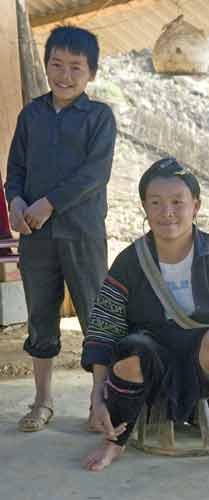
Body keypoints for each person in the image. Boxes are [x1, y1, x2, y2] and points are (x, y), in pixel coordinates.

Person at [81, 157, 209, 475]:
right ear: (144, 207)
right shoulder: (130, 261)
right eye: (156, 203)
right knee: (132, 348)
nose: (167, 212)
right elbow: (104, 327)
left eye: (178, 202)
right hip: (149, 366)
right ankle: (112, 443)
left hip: (204, 367)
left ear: (196, 206)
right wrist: (98, 395)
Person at [5, 25, 116, 432]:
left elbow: (95, 174)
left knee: (95, 314)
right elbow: (14, 170)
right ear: (45, 65)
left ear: (92, 74)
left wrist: (48, 204)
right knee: (40, 316)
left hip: (83, 233)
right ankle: (42, 400)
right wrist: (15, 201)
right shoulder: (31, 114)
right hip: (36, 235)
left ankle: (99, 402)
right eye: (56, 65)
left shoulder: (99, 117)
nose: (64, 75)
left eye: (76, 68)